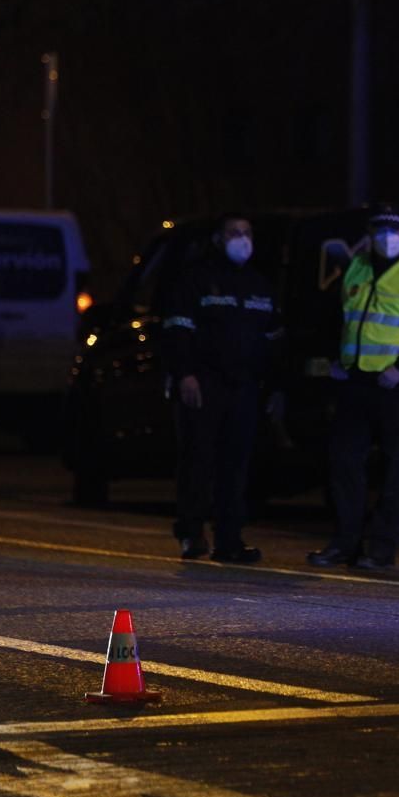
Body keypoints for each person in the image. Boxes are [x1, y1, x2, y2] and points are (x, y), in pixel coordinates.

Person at [308, 204, 399, 570]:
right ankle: (344, 543)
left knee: (394, 468)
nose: (387, 236)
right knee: (343, 464)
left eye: (395, 229)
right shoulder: (356, 266)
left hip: (395, 385)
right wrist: (334, 361)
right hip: (355, 382)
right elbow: (336, 318)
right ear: (370, 232)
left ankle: (380, 549)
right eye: (380, 229)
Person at [160, 212, 284, 563]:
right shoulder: (196, 279)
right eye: (234, 233)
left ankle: (229, 540)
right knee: (198, 460)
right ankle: (191, 532)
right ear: (218, 238)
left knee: (235, 466)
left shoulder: (260, 285)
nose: (242, 239)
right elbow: (178, 330)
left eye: (247, 232)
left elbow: (272, 339)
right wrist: (185, 374)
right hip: (204, 385)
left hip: (243, 388)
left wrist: (272, 386)